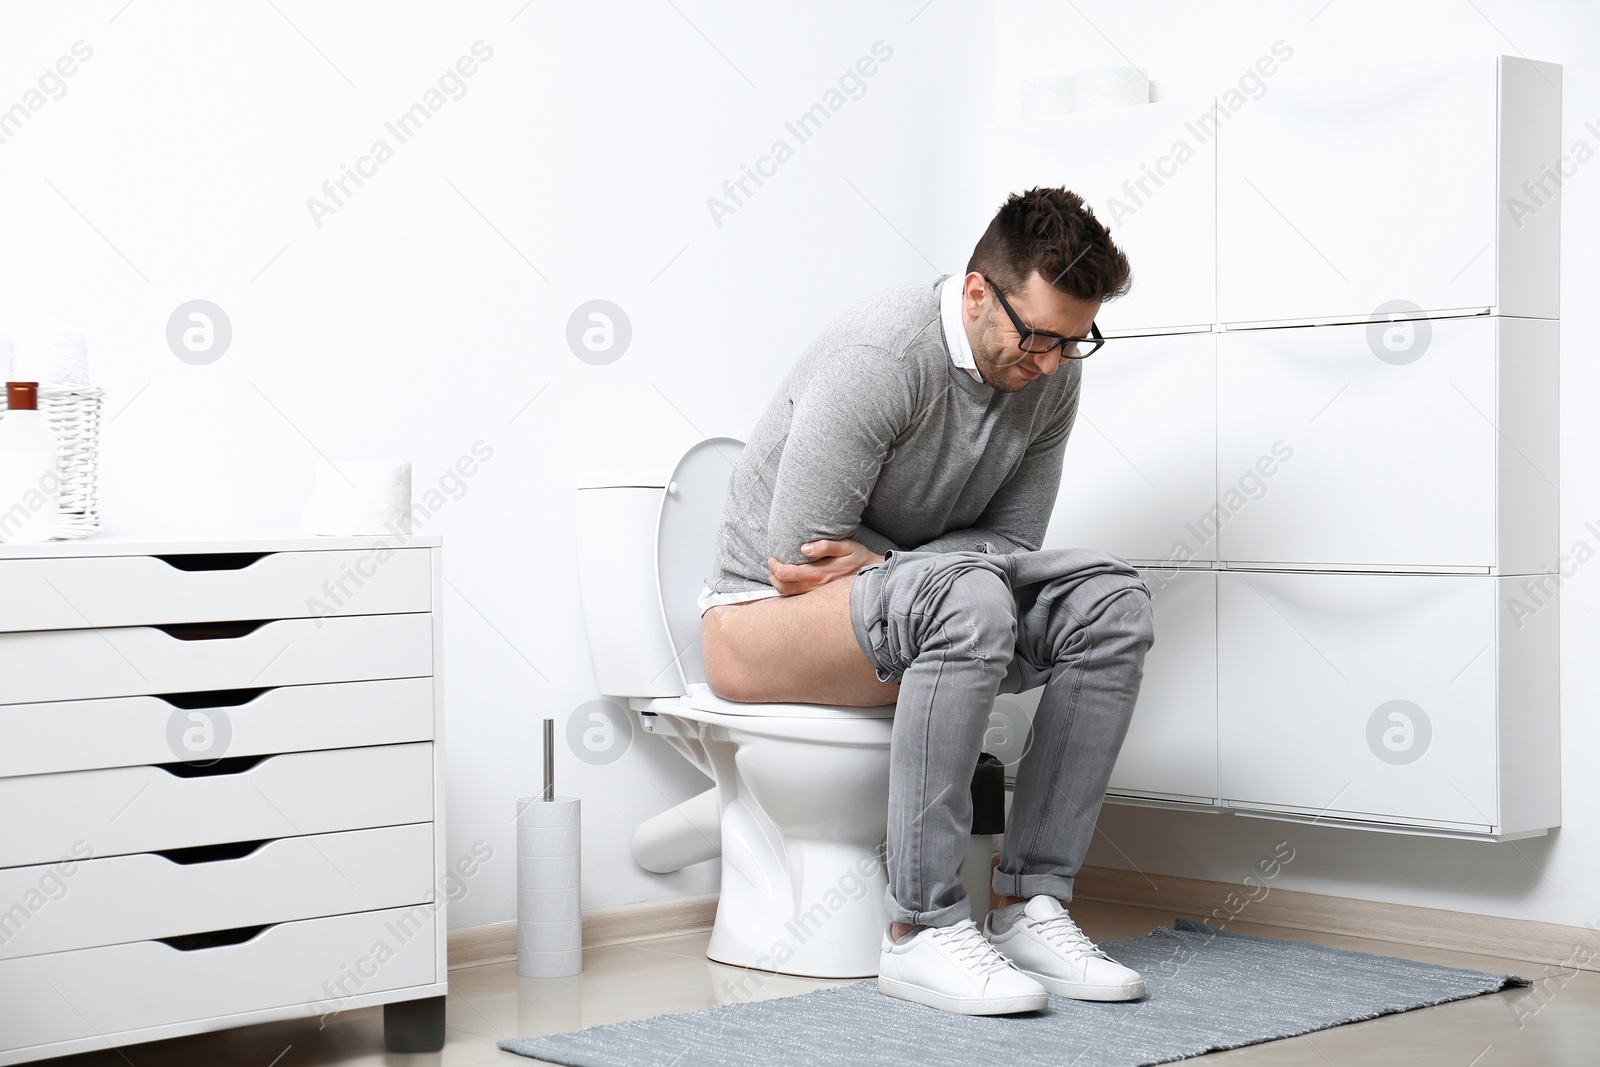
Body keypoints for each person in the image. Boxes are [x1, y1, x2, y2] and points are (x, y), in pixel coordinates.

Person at [698, 186, 1156, 1015]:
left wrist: (881, 559)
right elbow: (798, 560)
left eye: (1074, 340)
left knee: (1110, 604)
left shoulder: (1046, 374)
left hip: (918, 610)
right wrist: (932, 570)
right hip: (756, 624)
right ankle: (922, 928)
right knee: (973, 599)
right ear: (979, 292)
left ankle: (1028, 905)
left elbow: (1012, 549)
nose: (1052, 361)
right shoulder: (883, 354)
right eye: (1039, 336)